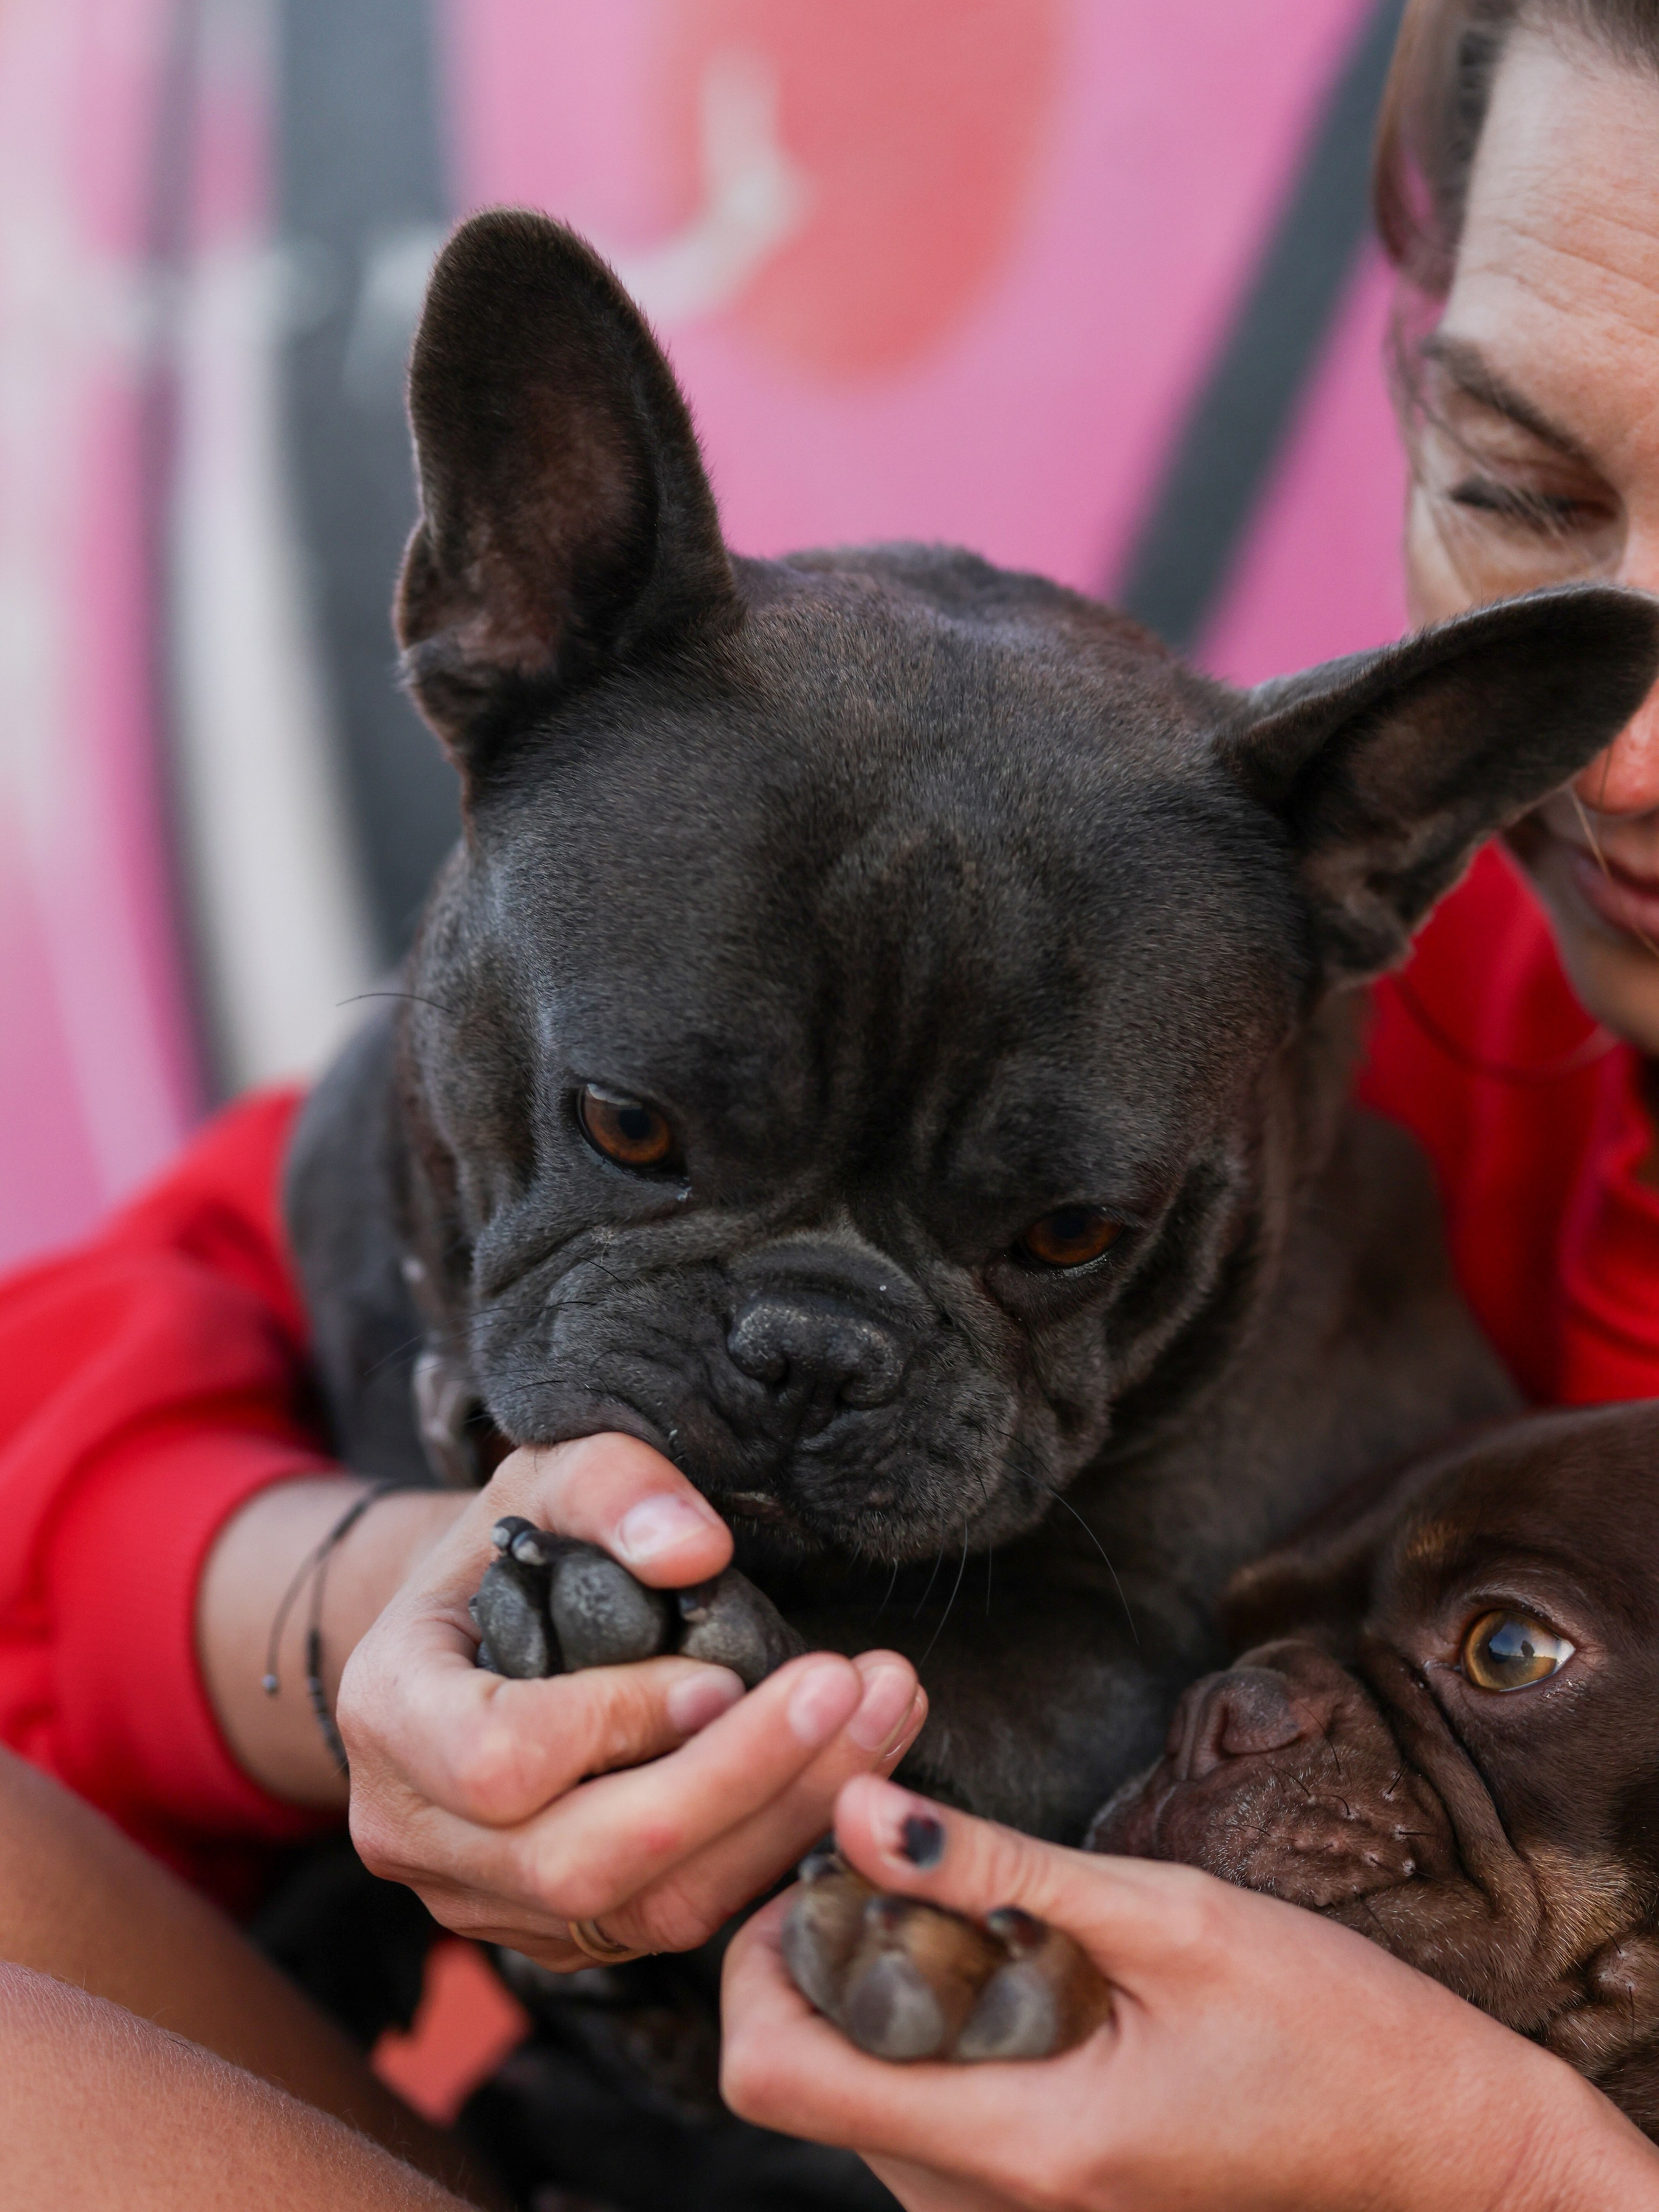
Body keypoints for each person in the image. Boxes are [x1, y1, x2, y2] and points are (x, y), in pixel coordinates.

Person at [4, 0, 1659, 2200]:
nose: (1631, 770)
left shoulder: (1240, 1054)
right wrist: (366, 1624)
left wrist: (1510, 2174)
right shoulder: (1445, 1008)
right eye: (1524, 486)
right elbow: (80, 1421)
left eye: (1053, 1235)